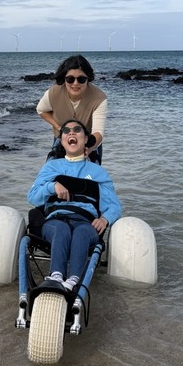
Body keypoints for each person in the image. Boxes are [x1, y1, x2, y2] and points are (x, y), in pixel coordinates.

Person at [26, 119, 121, 292]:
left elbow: (114, 205)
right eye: (66, 130)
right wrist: (52, 186)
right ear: (62, 140)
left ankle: (73, 281)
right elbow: (32, 197)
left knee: (82, 232)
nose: (71, 132)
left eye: (77, 130)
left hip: (85, 222)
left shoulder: (98, 172)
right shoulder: (51, 167)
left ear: (85, 140)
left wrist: (105, 219)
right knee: (61, 229)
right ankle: (56, 276)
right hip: (55, 220)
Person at [36, 54, 107, 162]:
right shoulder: (53, 93)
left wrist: (88, 149)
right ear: (64, 78)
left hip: (88, 142)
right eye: (70, 79)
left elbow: (98, 132)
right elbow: (41, 110)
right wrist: (59, 128)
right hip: (62, 140)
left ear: (88, 78)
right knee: (53, 174)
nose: (75, 83)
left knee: (91, 177)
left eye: (81, 79)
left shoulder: (99, 98)